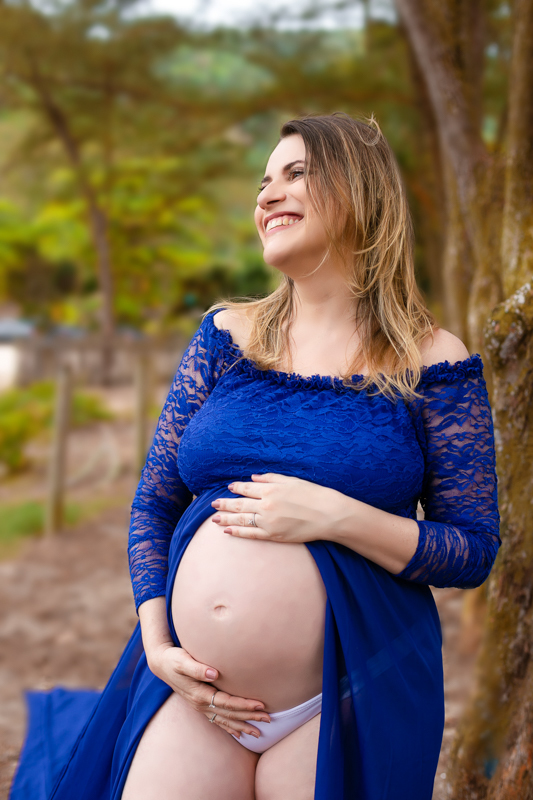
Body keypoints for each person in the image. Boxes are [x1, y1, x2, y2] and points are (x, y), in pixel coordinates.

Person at [11, 113, 500, 800]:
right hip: (197, 698)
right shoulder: (225, 335)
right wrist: (158, 645)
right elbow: (153, 503)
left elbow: (471, 549)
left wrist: (335, 516)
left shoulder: (432, 360)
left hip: (344, 694)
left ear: (361, 190)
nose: (267, 195)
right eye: (263, 180)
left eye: (295, 173)